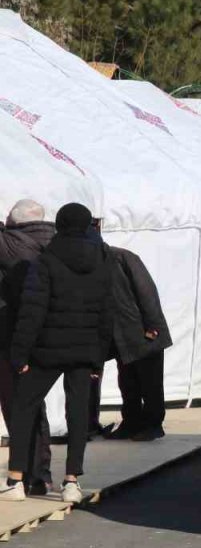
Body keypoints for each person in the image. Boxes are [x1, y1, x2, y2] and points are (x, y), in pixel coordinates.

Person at [1, 203, 113, 503]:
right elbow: (106, 312)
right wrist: (98, 358)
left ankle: (16, 480)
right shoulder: (103, 259)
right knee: (78, 415)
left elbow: (32, 311)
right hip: (84, 351)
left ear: (60, 224)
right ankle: (71, 482)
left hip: (46, 350)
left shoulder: (47, 259)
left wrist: (20, 355)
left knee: (24, 408)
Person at [0, 199, 56, 496]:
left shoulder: (13, 244)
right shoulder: (58, 241)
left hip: (14, 338)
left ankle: (21, 476)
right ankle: (41, 474)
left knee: (16, 406)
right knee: (34, 405)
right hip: (48, 338)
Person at [103, 246, 172, 441]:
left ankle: (153, 424)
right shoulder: (96, 260)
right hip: (121, 334)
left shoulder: (122, 257)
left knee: (150, 382)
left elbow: (146, 291)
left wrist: (152, 326)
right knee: (127, 382)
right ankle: (131, 422)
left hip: (143, 330)